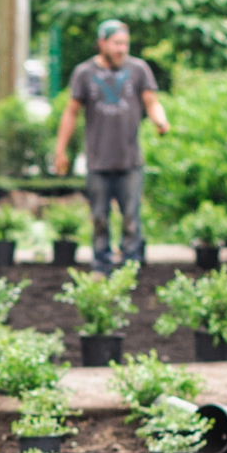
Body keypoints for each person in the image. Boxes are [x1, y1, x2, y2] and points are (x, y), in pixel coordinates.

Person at [51, 20, 167, 274]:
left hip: (130, 160)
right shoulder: (84, 73)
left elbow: (152, 101)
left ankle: (129, 268)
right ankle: (101, 267)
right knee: (99, 219)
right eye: (116, 43)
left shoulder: (139, 69)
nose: (122, 49)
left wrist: (160, 119)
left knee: (131, 220)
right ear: (102, 43)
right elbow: (71, 113)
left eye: (125, 43)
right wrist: (60, 151)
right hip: (98, 160)